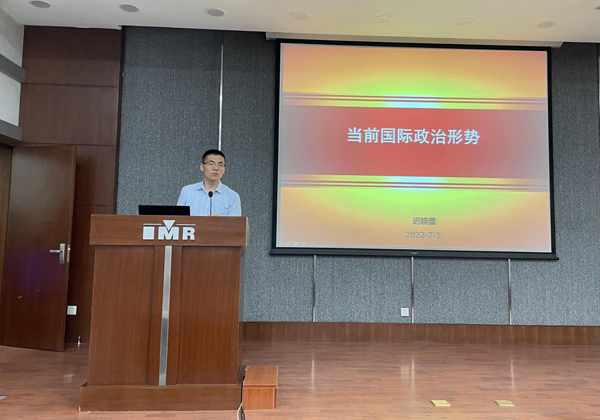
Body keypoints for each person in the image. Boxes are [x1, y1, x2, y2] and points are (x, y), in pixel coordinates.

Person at [177, 149, 241, 216]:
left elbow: (235, 222)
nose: (216, 168)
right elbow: (178, 219)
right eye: (211, 164)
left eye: (220, 165)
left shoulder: (232, 197)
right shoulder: (187, 191)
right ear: (202, 167)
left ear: (224, 169)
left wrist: (220, 221)